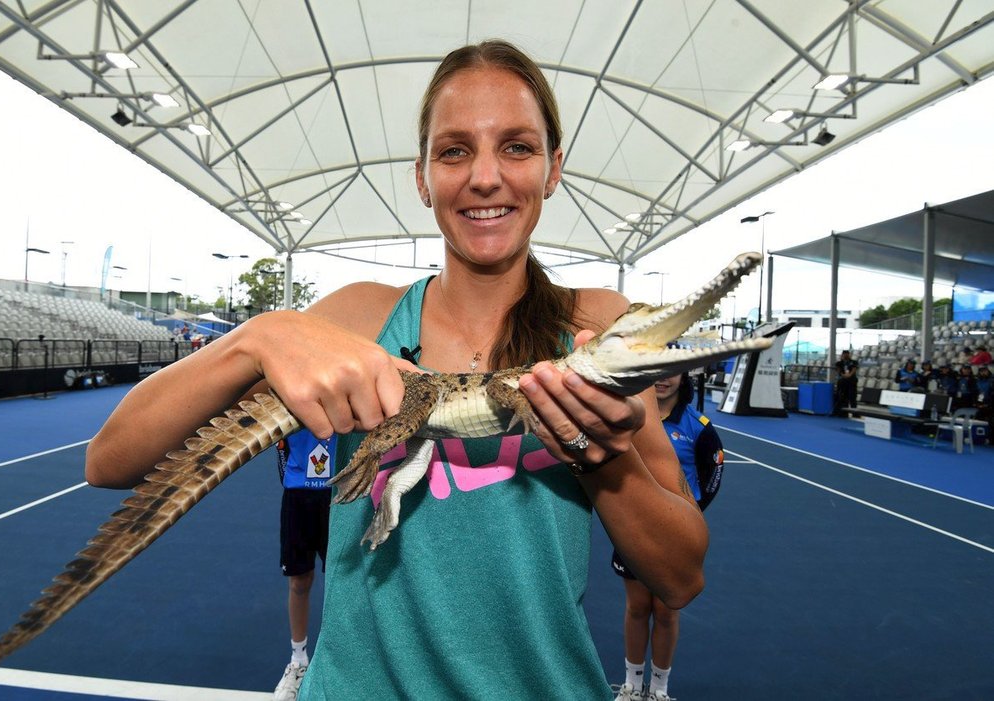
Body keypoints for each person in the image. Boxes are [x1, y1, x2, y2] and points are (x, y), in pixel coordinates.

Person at [85, 40, 708, 699]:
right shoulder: (358, 318)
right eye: (455, 150)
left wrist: (601, 454)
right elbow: (111, 458)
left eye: (517, 147)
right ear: (422, 176)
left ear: (553, 168)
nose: (486, 177)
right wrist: (257, 337)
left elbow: (680, 575)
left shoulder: (594, 329)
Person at [611, 372, 724, 701]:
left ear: (683, 377)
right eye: (656, 373)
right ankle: (632, 685)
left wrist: (692, 511)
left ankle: (658, 688)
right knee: (636, 607)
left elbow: (714, 470)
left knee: (665, 611)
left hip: (676, 536)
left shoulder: (697, 425)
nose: (663, 380)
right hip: (634, 529)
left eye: (671, 372)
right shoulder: (625, 415)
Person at [272, 429, 337, 701]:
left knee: (344, 578)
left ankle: (340, 659)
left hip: (340, 488)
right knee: (299, 581)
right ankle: (298, 661)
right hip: (298, 492)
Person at [834, 349, 859, 416]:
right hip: (842, 382)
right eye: (844, 354)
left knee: (852, 397)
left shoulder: (854, 362)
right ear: (842, 355)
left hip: (852, 381)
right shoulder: (839, 363)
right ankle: (843, 413)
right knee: (843, 397)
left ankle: (855, 413)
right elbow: (839, 371)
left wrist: (849, 375)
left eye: (847, 354)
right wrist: (843, 375)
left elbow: (854, 369)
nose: (845, 355)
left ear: (849, 354)